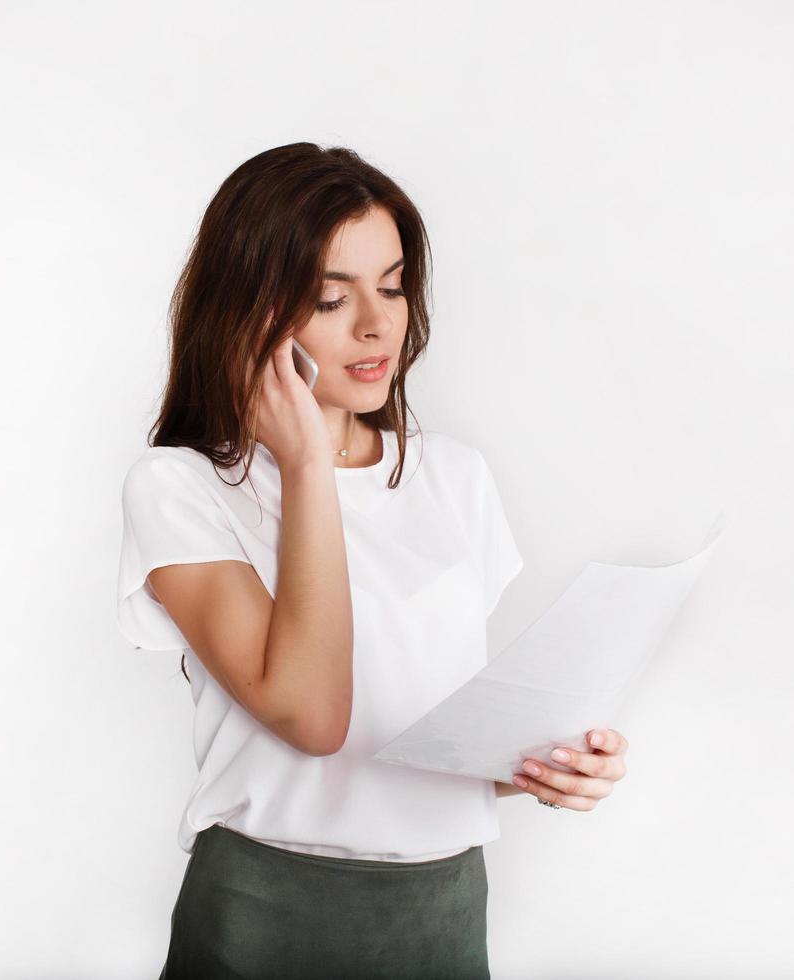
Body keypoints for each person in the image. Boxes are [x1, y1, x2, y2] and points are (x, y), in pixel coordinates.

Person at [115, 143, 630, 979]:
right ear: (249, 311)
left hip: (444, 911)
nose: (376, 323)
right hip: (264, 915)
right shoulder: (183, 488)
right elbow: (313, 719)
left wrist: (545, 764)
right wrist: (309, 463)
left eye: (391, 286)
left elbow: (417, 738)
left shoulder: (454, 475)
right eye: (329, 296)